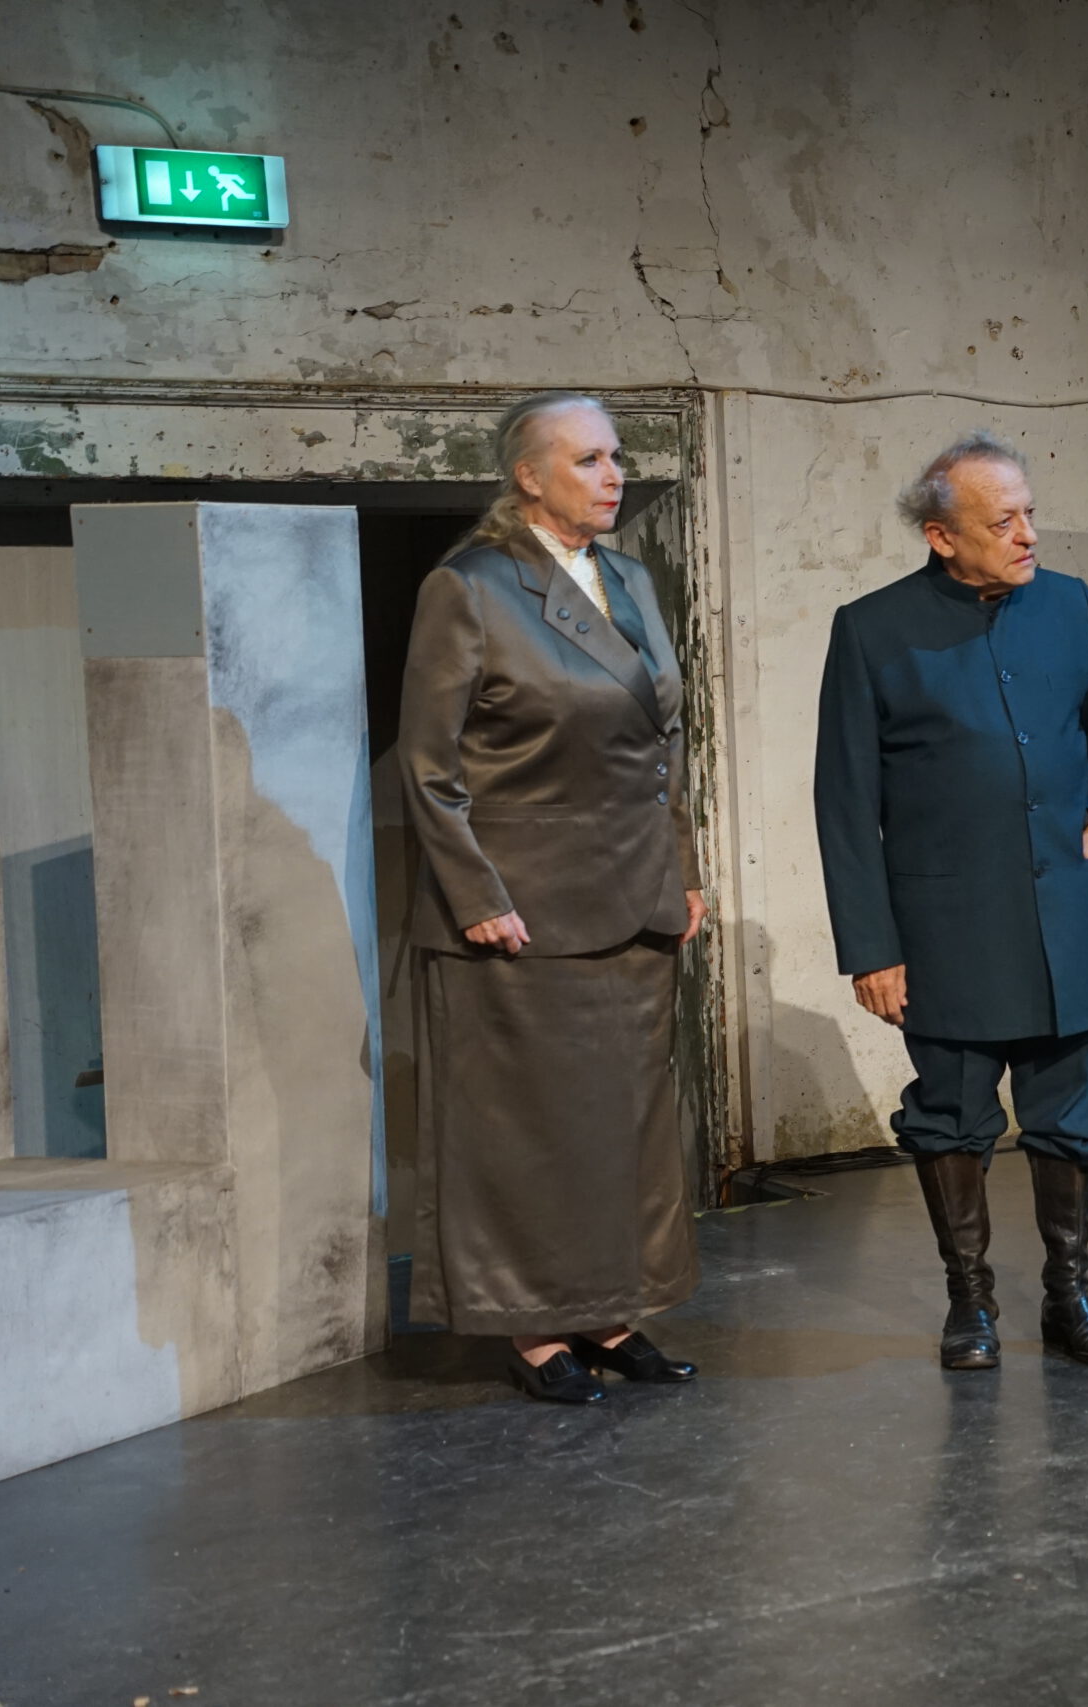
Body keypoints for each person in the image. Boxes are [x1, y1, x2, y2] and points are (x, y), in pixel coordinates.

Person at [399, 391, 709, 1404]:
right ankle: (533, 1325)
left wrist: (681, 868)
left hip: (633, 895)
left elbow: (666, 741)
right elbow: (429, 764)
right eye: (587, 459)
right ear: (528, 477)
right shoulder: (471, 587)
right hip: (523, 908)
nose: (613, 475)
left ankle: (608, 1309)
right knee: (530, 1129)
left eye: (615, 456)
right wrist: (473, 892)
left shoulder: (629, 577)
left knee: (622, 1126)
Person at [812, 430, 1088, 1371]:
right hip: (946, 928)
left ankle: (1069, 1297)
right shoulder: (873, 629)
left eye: (1030, 513)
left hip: (1064, 914)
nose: (1028, 534)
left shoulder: (1068, 604)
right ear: (941, 535)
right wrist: (871, 947)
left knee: (1072, 1116)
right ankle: (971, 1303)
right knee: (950, 1118)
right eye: (1004, 521)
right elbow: (845, 801)